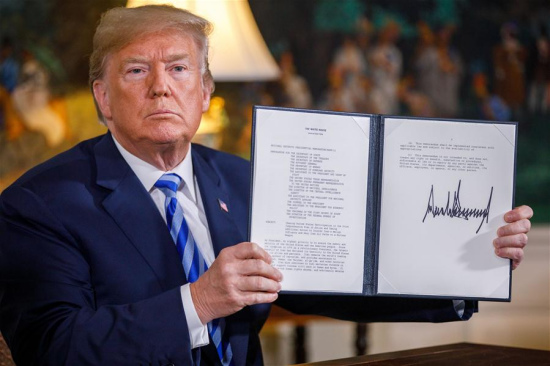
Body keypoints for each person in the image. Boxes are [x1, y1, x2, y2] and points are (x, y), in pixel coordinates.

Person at [0, 5, 533, 365]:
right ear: (103, 98)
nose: (162, 86)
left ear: (205, 91)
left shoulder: (245, 178)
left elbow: (337, 279)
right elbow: (52, 347)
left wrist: (468, 266)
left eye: (180, 68)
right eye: (137, 71)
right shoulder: (37, 205)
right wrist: (199, 302)